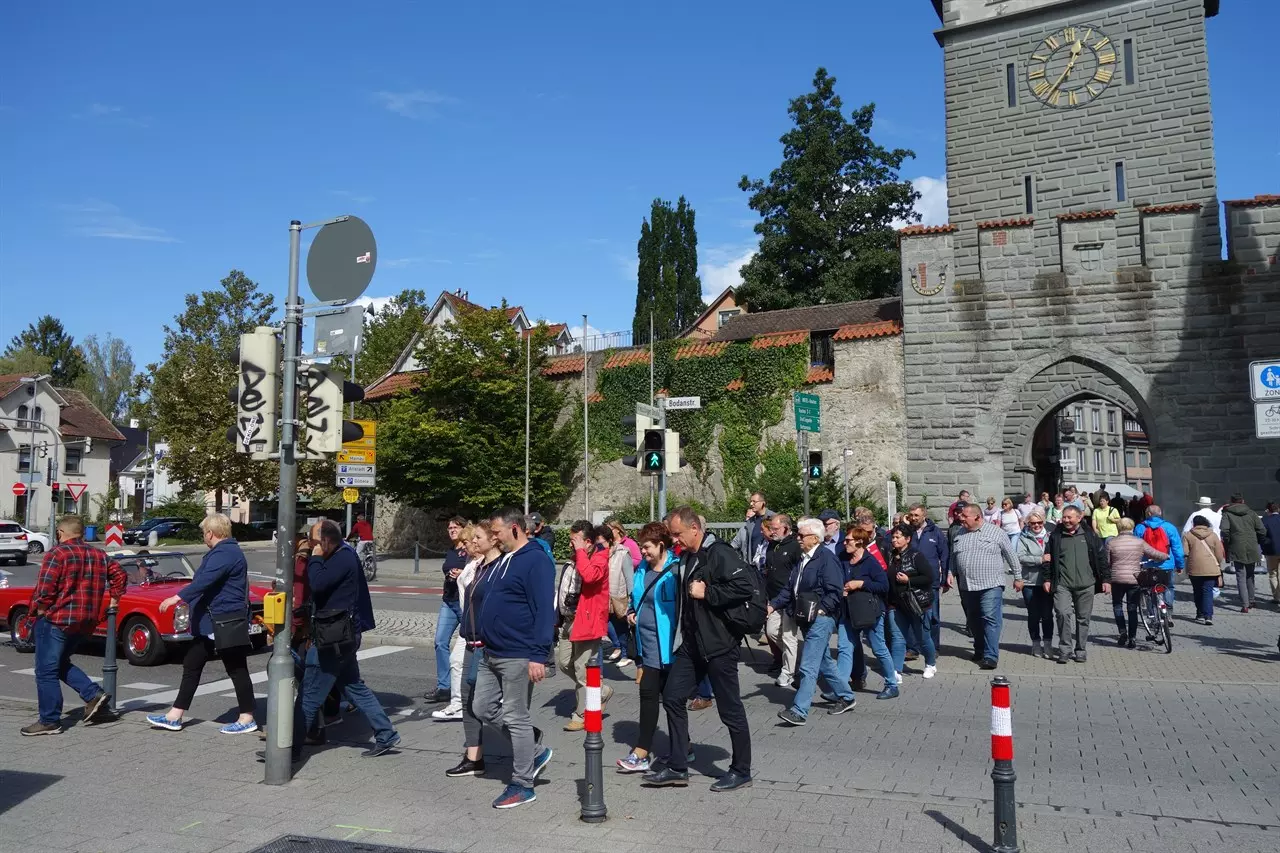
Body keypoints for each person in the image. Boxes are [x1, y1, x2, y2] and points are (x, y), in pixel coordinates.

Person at [642, 507, 754, 792]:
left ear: (694, 529)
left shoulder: (720, 553)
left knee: (730, 709)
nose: (674, 540)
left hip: (719, 645)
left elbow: (745, 587)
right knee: (672, 696)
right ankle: (678, 766)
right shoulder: (687, 556)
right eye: (672, 535)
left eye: (677, 534)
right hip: (691, 645)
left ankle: (741, 770)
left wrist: (709, 593)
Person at [283, 520, 399, 760]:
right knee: (354, 687)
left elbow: (318, 584)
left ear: (325, 541)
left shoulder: (341, 558)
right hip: (341, 636)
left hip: (332, 639)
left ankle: (287, 752)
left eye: (314, 541)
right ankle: (386, 734)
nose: (310, 545)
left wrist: (315, 558)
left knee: (308, 696)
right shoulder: (341, 555)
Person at [472, 508, 556, 809]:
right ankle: (533, 750)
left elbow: (544, 610)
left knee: (516, 716)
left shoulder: (536, 560)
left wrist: (539, 655)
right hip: (491, 651)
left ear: (516, 529)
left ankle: (522, 784)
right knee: (482, 707)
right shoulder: (506, 559)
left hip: (518, 653)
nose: (494, 537)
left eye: (497, 532)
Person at [150, 514, 257, 734]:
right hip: (213, 622)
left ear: (210, 533)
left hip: (224, 620)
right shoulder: (224, 552)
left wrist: (176, 598)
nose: (203, 536)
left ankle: (247, 718)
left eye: (203, 533)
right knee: (192, 664)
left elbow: (204, 581)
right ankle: (175, 715)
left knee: (237, 669)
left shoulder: (225, 553)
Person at [22, 515, 127, 736]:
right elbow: (120, 574)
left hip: (57, 619)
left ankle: (49, 720)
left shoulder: (57, 554)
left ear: (60, 533)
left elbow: (46, 588)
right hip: (84, 621)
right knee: (60, 663)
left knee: (46, 671)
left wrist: (40, 610)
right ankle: (93, 694)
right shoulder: (99, 554)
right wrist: (114, 599)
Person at [773, 518, 855, 724]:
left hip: (821, 619)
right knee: (825, 662)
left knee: (808, 666)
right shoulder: (803, 559)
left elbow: (835, 590)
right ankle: (846, 696)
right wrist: (772, 606)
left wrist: (822, 610)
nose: (798, 538)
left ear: (815, 538)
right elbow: (790, 588)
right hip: (804, 617)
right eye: (798, 535)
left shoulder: (827, 559)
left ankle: (799, 711)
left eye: (802, 535)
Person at [617, 522, 680, 774]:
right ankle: (649, 750)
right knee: (649, 696)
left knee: (671, 701)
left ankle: (649, 751)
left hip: (670, 649)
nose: (642, 552)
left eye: (646, 547)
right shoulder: (642, 569)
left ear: (661, 545)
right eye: (641, 547)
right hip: (647, 647)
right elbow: (636, 597)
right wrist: (632, 612)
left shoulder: (676, 570)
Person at [446, 521, 506, 778]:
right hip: (471, 639)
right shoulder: (477, 567)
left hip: (488, 644)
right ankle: (474, 757)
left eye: (476, 538)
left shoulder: (499, 568)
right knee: (468, 699)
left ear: (493, 540)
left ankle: (527, 740)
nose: (471, 543)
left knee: (485, 705)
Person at [559, 521, 612, 731]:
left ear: (588, 542)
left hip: (587, 621)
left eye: (575, 540)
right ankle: (600, 690)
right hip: (569, 619)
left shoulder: (600, 557)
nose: (571, 544)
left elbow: (590, 576)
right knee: (564, 663)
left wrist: (580, 552)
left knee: (582, 671)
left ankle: (581, 714)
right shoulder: (576, 557)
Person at [951, 504, 1018, 668]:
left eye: (964, 516)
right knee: (973, 621)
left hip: (991, 585)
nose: (960, 518)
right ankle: (980, 649)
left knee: (990, 618)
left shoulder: (996, 532)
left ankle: (990, 656)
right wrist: (950, 573)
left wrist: (1018, 577)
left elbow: (1011, 555)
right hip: (967, 586)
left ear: (977, 517)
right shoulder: (959, 533)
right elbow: (954, 557)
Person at [1045, 506, 1109, 664]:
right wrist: (1047, 579)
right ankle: (1065, 649)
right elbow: (1048, 559)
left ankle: (1080, 650)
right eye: (1064, 517)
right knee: (1062, 613)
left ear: (1079, 518)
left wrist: (1106, 580)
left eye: (1070, 517)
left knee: (1083, 618)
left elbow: (1101, 557)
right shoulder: (1056, 536)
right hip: (1062, 584)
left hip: (1086, 584)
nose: (1066, 520)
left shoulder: (1089, 535)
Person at [840, 526, 899, 699]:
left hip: (870, 612)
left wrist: (861, 584)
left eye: (848, 540)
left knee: (878, 648)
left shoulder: (870, 562)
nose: (844, 543)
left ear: (859, 542)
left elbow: (883, 586)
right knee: (845, 648)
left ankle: (891, 685)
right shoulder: (843, 558)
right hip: (848, 611)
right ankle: (840, 688)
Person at [434, 523, 477, 721]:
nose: (464, 547)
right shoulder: (469, 559)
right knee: (455, 659)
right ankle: (457, 703)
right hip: (464, 617)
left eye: (467, 542)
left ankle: (487, 701)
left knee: (483, 665)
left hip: (476, 621)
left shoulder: (481, 563)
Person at [427, 516, 470, 705]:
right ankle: (444, 687)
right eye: (449, 527)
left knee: (472, 643)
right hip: (449, 601)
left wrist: (462, 573)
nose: (451, 530)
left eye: (455, 527)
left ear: (464, 528)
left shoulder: (469, 550)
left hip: (464, 603)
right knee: (440, 642)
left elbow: (476, 570)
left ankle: (470, 685)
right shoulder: (451, 550)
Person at [1107, 517, 1168, 646]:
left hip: (1117, 578)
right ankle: (1132, 638)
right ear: (1132, 527)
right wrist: (1165, 556)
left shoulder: (1111, 543)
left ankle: (1122, 632)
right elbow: (1153, 553)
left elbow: (1107, 562)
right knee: (1132, 608)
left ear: (1118, 528)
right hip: (1134, 578)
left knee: (1117, 605)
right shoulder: (1139, 542)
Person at [887, 524, 937, 679]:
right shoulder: (890, 556)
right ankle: (896, 670)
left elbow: (929, 577)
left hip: (916, 603)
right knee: (898, 638)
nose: (894, 540)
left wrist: (909, 580)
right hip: (896, 604)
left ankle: (930, 664)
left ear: (907, 539)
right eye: (893, 537)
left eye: (898, 537)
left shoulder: (916, 555)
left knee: (923, 638)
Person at [762, 514, 802, 687]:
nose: (772, 532)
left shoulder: (795, 546)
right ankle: (793, 658)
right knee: (771, 631)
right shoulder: (772, 545)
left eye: (775, 528)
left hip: (790, 599)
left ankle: (788, 672)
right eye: (771, 528)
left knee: (788, 636)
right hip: (774, 599)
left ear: (786, 528)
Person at [906, 503, 949, 653]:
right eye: (911, 515)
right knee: (912, 614)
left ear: (924, 515)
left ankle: (933, 647)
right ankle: (913, 648)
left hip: (931, 582)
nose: (913, 518)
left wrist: (945, 578)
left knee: (932, 616)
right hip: (910, 580)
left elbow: (944, 556)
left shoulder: (935, 532)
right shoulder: (907, 532)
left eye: (916, 515)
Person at [1013, 509, 1054, 658]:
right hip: (1030, 582)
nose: (1036, 525)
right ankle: (1036, 643)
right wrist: (1040, 559)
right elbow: (1020, 557)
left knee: (1047, 614)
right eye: (1033, 523)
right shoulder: (1023, 537)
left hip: (1048, 581)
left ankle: (1048, 644)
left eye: (1039, 522)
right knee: (1034, 615)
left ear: (1043, 522)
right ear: (1028, 524)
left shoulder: (1050, 536)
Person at [1135, 505, 1186, 614]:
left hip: (1148, 564)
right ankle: (1168, 611)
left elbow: (1136, 549)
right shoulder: (1169, 527)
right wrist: (1180, 565)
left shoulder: (1140, 528)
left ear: (1148, 514)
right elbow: (1177, 549)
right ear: (1160, 514)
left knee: (1149, 588)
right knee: (1168, 586)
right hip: (1166, 564)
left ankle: (1152, 614)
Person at [1219, 494, 1266, 613]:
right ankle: (1252, 600)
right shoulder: (1251, 513)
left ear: (1231, 501)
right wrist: (1257, 540)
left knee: (1240, 575)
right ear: (1243, 501)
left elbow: (1224, 530)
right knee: (1250, 575)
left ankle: (1245, 604)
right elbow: (1262, 530)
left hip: (1236, 546)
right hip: (1252, 545)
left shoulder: (1227, 514)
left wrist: (1229, 541)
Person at [600, 524, 637, 668]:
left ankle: (625, 654)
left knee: (620, 626)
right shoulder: (599, 554)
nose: (599, 545)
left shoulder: (622, 553)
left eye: (601, 542)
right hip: (604, 597)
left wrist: (631, 599)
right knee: (606, 625)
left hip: (618, 597)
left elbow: (629, 578)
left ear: (609, 540)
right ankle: (618, 646)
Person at [1183, 515, 1226, 625]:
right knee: (1208, 591)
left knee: (1197, 591)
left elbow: (1185, 552)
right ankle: (1208, 616)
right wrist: (1218, 563)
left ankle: (1200, 614)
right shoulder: (1213, 535)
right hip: (1211, 568)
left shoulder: (1188, 535)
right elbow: (1219, 553)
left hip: (1194, 568)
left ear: (1194, 524)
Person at [731, 491, 773, 566]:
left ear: (763, 503)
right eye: (751, 501)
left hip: (769, 564)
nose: (751, 504)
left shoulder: (773, 518)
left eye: (754, 501)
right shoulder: (750, 522)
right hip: (753, 565)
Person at [1263, 502, 1280, 608]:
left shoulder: (1265, 520)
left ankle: (1277, 597)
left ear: (1268, 510)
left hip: (1271, 551)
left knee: (1273, 573)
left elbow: (1261, 535)